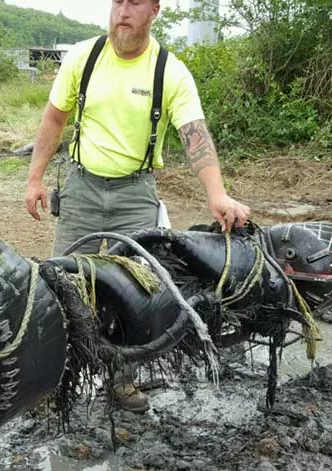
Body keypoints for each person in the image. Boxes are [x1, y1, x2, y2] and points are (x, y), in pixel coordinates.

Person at [24, 0, 251, 413]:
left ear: (154, 10)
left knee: (134, 293)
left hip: (136, 193)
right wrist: (35, 177)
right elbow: (54, 119)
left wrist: (217, 194)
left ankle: (120, 380)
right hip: (82, 189)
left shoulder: (170, 72)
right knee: (62, 286)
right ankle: (53, 382)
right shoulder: (84, 57)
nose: (122, 11)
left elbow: (194, 135)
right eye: (116, 2)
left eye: (134, 3)